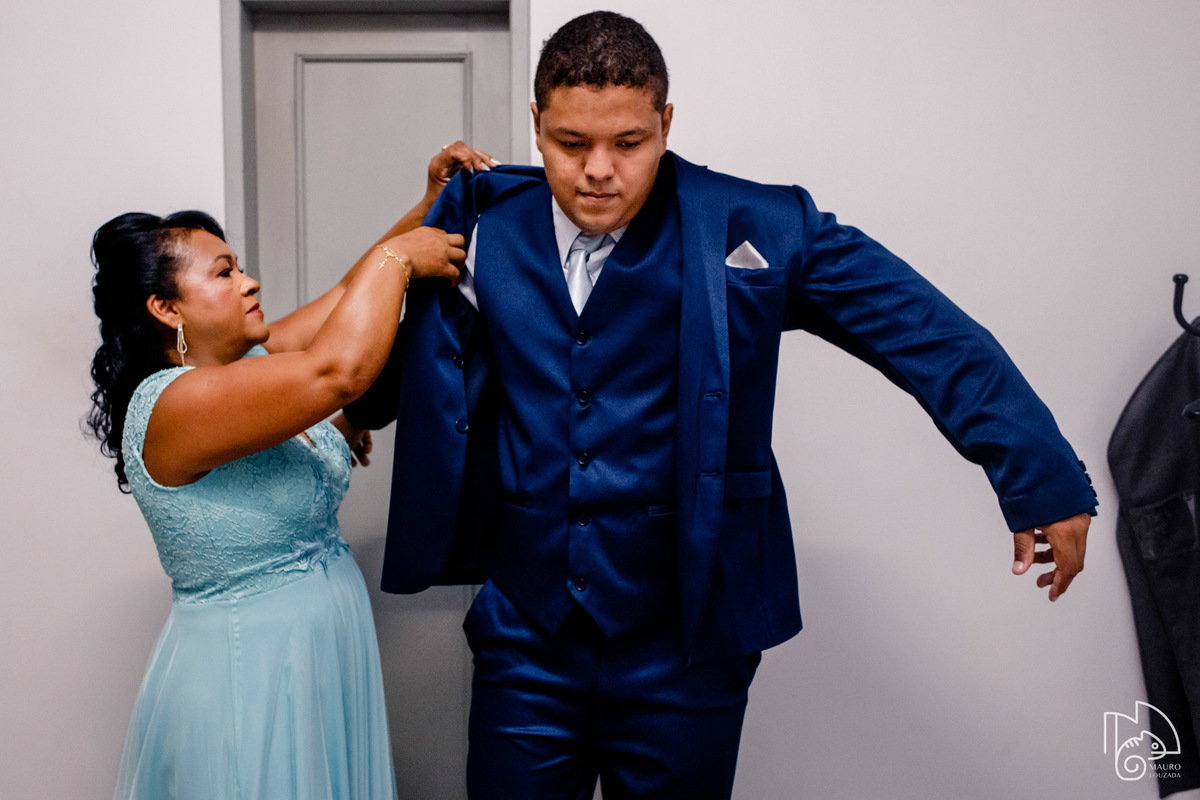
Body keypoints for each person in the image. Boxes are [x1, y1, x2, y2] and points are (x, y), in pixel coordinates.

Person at [343, 12, 1098, 800]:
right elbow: (416, 357)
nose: (598, 170)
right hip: (527, 635)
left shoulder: (758, 225)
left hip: (687, 645)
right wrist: (360, 400)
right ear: (536, 126)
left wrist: (1040, 474)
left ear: (666, 124)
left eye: (628, 143)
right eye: (570, 143)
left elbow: (923, 330)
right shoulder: (482, 229)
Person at [87, 142, 495, 800]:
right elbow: (338, 371)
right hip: (250, 672)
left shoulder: (246, 364)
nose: (249, 282)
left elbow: (345, 301)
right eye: (224, 274)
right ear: (167, 308)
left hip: (317, 656)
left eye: (241, 268)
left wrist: (427, 207)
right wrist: (399, 259)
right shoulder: (172, 403)